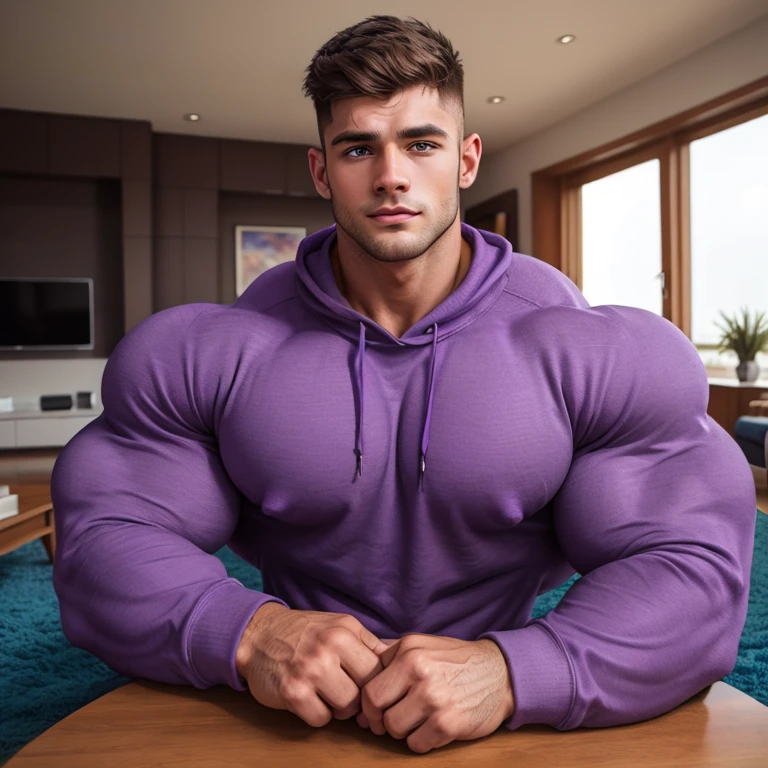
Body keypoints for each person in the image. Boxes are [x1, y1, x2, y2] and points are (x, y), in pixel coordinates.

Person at [51, 14, 756, 756]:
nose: (391, 175)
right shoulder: (222, 352)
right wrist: (252, 632)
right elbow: (103, 540)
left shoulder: (583, 349)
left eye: (422, 143)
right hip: (292, 705)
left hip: (506, 707)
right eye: (359, 147)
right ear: (322, 170)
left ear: (467, 159)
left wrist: (514, 671)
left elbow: (694, 568)